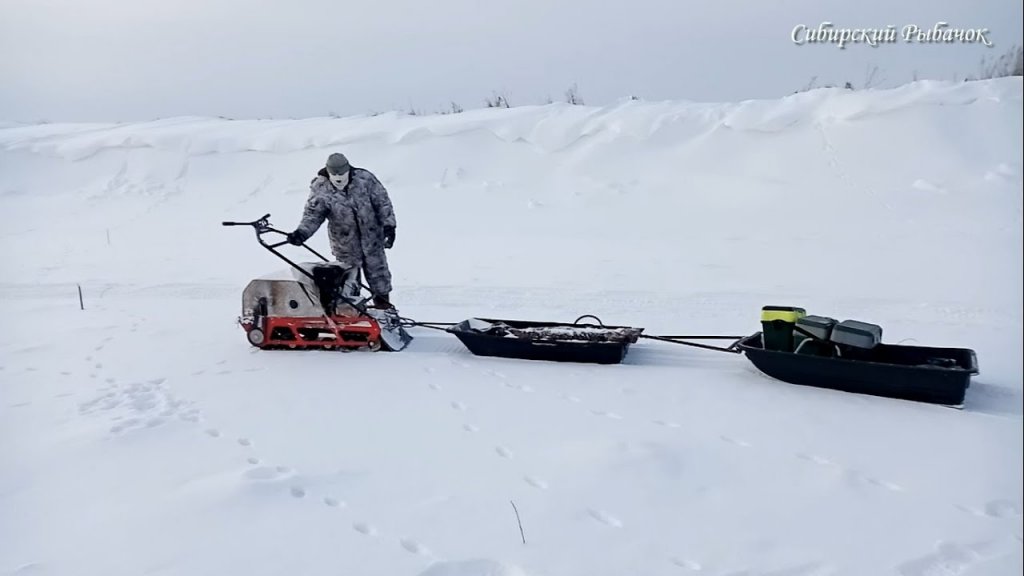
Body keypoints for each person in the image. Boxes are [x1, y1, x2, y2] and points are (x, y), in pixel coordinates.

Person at [286, 153, 397, 309]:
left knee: (379, 278)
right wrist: (301, 233)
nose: (339, 178)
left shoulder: (364, 180)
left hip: (372, 240)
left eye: (342, 174)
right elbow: (313, 215)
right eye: (335, 175)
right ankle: (354, 315)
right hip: (345, 245)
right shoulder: (321, 188)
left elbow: (383, 203)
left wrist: (389, 226)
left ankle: (384, 310)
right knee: (349, 283)